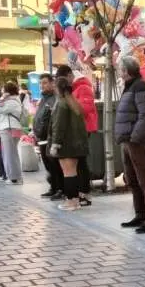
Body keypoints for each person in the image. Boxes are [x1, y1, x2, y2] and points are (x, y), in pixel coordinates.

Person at [115, 55, 145, 234]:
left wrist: (135, 137)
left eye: (120, 69)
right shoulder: (130, 87)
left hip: (137, 141)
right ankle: (140, 214)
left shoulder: (141, 87)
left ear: (126, 71)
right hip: (128, 140)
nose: (119, 72)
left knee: (144, 180)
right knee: (132, 179)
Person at [56, 65, 99, 206]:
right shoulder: (72, 89)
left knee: (80, 163)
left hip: (82, 129)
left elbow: (83, 110)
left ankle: (83, 194)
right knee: (77, 163)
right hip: (74, 130)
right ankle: (76, 194)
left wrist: (69, 100)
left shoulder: (82, 88)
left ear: (70, 75)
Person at [50, 77, 89, 211]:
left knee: (68, 173)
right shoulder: (74, 103)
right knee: (73, 173)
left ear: (57, 89)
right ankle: (76, 200)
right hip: (77, 144)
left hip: (66, 144)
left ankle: (71, 201)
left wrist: (55, 143)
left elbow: (58, 126)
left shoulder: (60, 104)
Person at [33, 74, 63, 199]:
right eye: (41, 83)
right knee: (48, 165)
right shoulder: (43, 99)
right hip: (41, 138)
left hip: (49, 137)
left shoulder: (55, 99)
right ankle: (53, 187)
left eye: (45, 83)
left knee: (54, 165)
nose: (42, 85)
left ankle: (60, 188)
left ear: (52, 83)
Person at [0, 82, 25, 185]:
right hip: (9, 128)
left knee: (10, 154)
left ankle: (14, 177)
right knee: (10, 153)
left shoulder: (12, 101)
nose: (2, 91)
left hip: (9, 128)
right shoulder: (13, 100)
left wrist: (2, 98)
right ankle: (13, 176)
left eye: (3, 90)